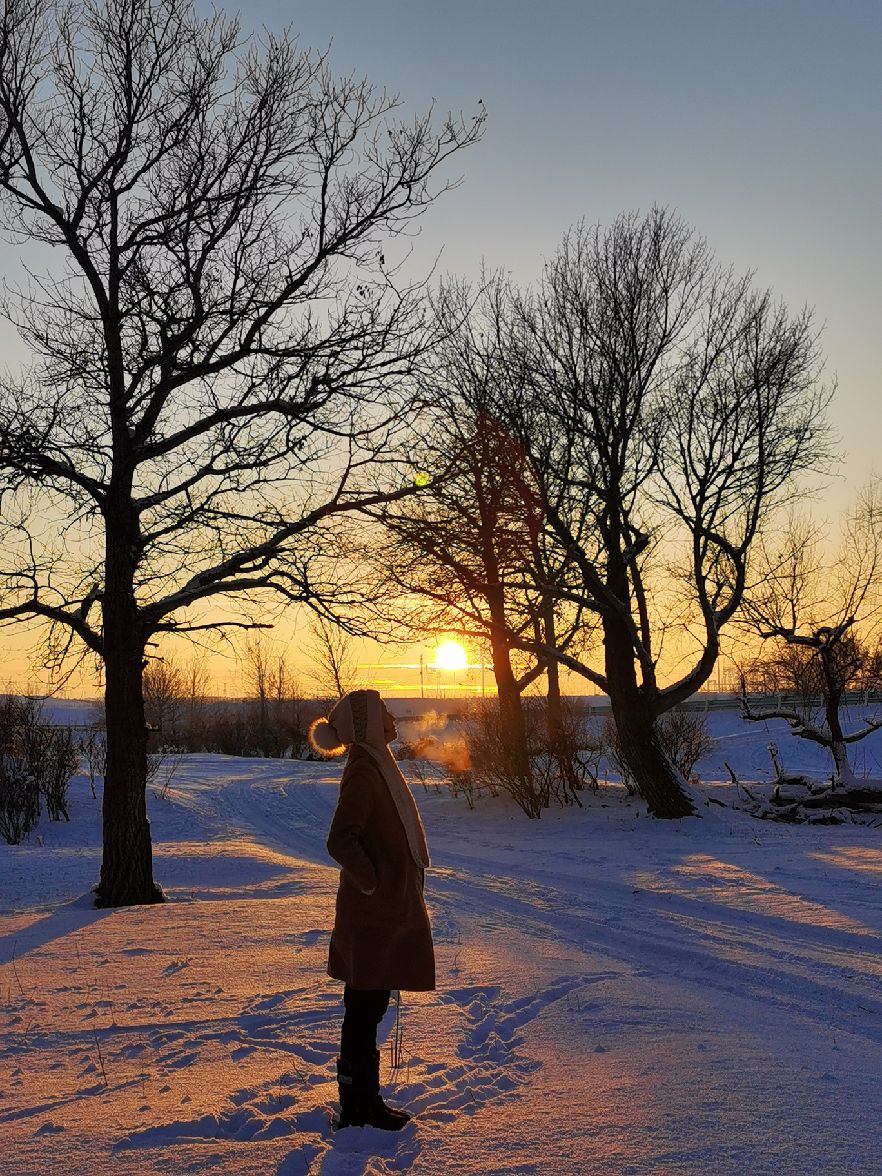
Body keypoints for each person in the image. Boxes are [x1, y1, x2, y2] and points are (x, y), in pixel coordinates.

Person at [308, 689, 434, 1131]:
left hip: (381, 914)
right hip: (372, 915)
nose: (389, 716)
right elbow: (341, 838)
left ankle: (362, 1101)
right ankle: (358, 1105)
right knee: (364, 1009)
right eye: (380, 710)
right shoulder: (364, 767)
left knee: (368, 1008)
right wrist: (374, 882)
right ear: (364, 722)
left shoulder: (377, 763)